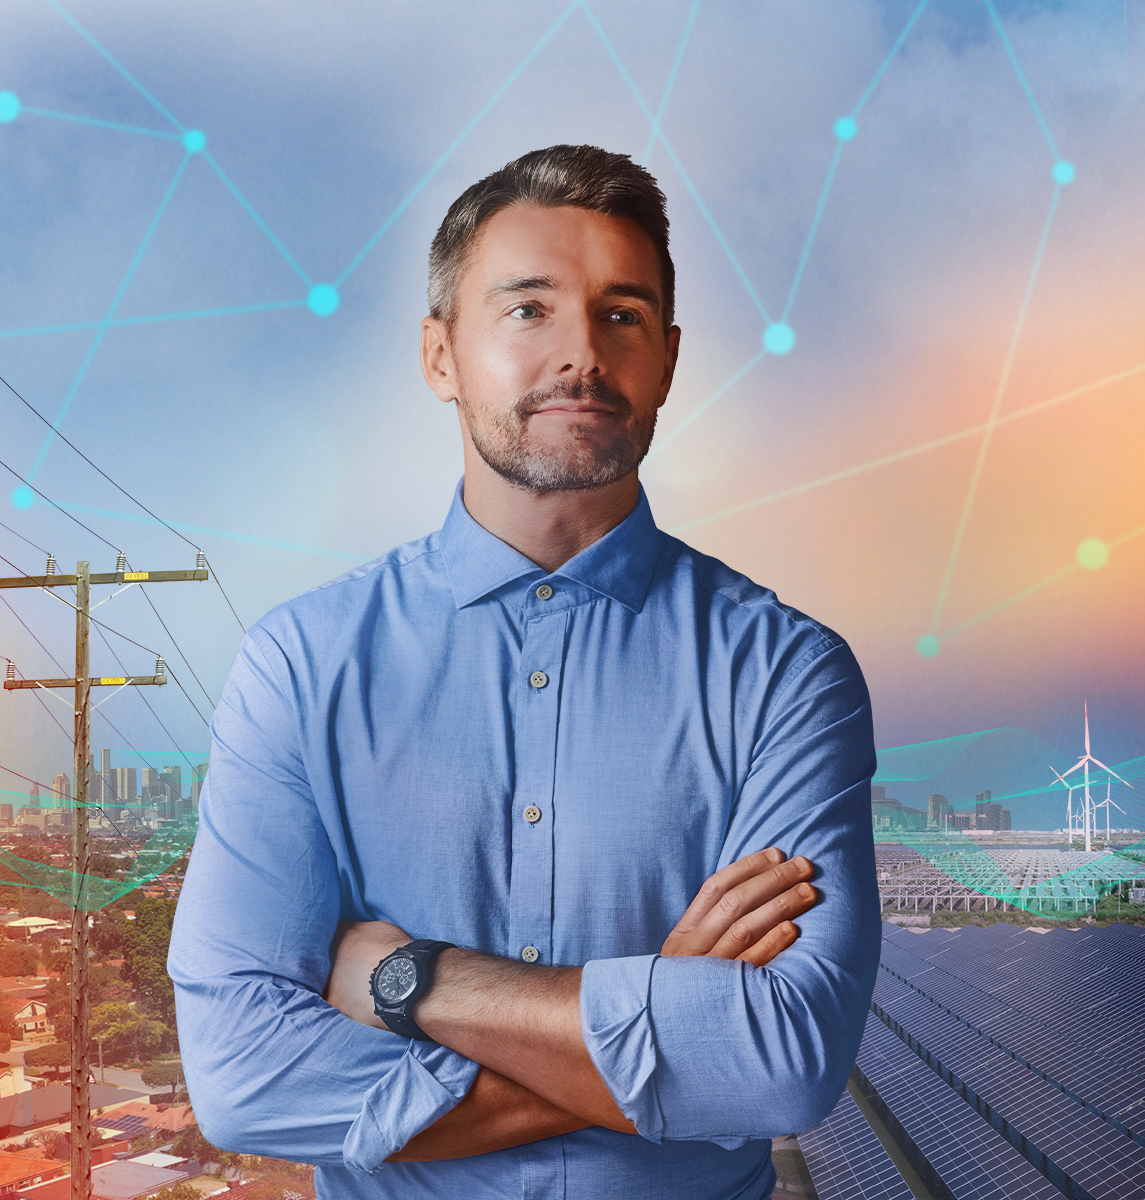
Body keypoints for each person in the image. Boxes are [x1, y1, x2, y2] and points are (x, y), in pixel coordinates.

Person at [169, 144, 880, 1200]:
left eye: (621, 314)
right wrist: (663, 1013)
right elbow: (246, 1080)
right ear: (440, 356)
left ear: (670, 360)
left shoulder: (785, 673)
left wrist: (416, 982)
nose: (580, 354)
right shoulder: (304, 666)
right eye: (528, 310)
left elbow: (784, 1063)